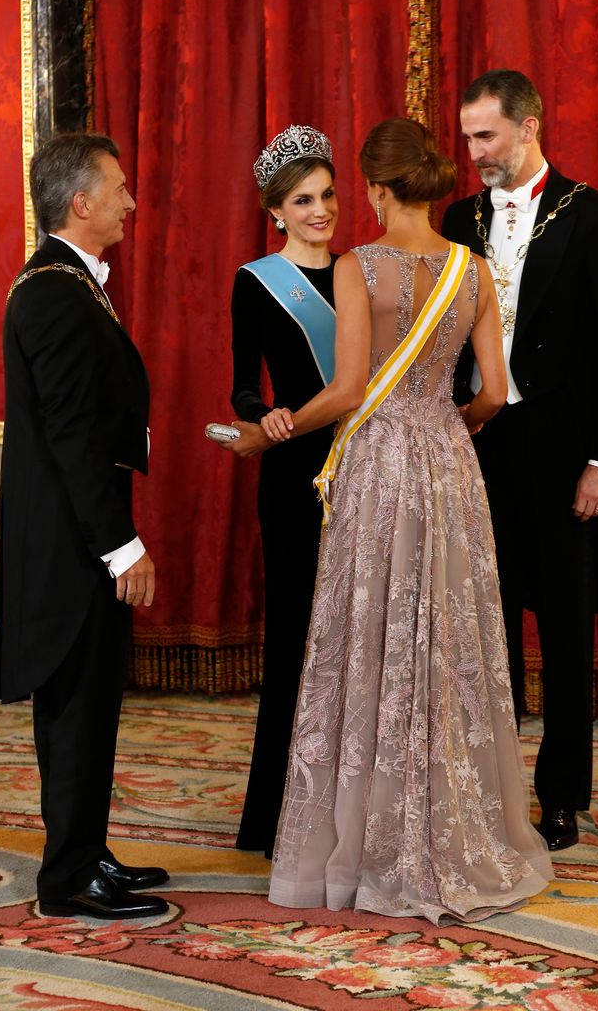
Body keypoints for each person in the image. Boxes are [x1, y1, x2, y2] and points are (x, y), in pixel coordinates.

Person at [263, 116, 552, 924]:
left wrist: (275, 426)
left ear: (376, 190)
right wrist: (452, 421)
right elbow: (495, 392)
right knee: (447, 644)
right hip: (449, 464)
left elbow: (350, 388)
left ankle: (366, 839)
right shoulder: (474, 271)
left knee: (371, 640)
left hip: (381, 465)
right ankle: (457, 829)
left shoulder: (358, 266)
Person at [441, 70, 598, 851]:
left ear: (529, 127)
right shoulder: (459, 218)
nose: (475, 153)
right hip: (480, 450)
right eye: (467, 139)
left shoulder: (593, 217)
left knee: (562, 633)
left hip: (565, 459)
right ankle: (485, 787)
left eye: (486, 136)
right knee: (480, 629)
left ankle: (560, 797)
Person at [0, 133, 169, 919]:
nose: (131, 201)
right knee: (74, 710)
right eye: (120, 188)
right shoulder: (54, 291)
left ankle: (88, 850)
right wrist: (121, 546)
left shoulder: (68, 284)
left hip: (79, 535)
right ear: (81, 201)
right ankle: (66, 879)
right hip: (73, 545)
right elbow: (69, 434)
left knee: (92, 706)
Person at [223, 126, 339, 859]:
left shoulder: (363, 271)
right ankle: (276, 817)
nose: (321, 211)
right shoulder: (257, 281)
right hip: (294, 472)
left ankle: (349, 809)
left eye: (328, 195)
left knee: (359, 641)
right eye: (304, 200)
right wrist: (257, 411)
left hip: (365, 464)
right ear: (277, 211)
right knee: (297, 640)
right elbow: (241, 380)